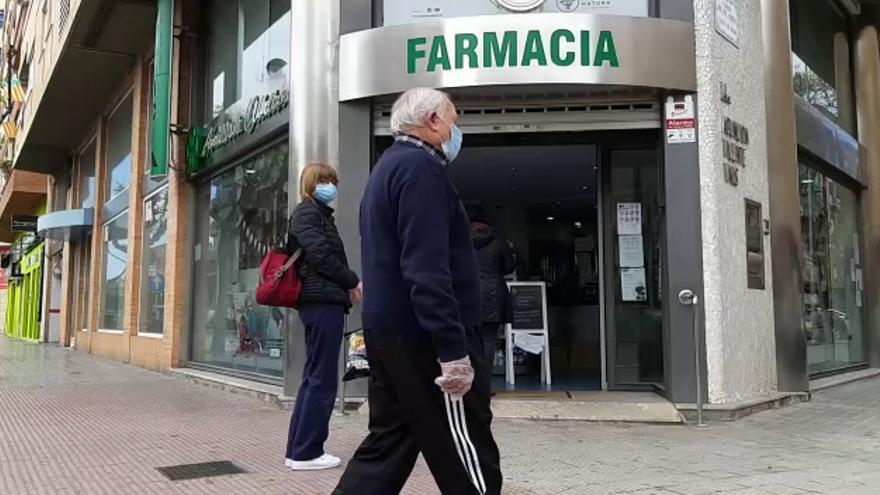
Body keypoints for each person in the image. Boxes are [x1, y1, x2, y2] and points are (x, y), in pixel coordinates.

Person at [334, 88, 502, 495]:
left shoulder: (386, 170)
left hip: (389, 332)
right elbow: (426, 269)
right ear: (432, 122)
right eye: (453, 121)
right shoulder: (421, 171)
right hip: (425, 339)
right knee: (468, 451)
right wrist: (452, 351)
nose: (455, 130)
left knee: (391, 442)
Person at [285, 163, 363, 471]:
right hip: (321, 302)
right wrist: (352, 281)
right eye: (324, 181)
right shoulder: (308, 214)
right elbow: (321, 257)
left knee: (313, 377)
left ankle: (298, 450)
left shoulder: (316, 215)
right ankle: (308, 452)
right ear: (310, 184)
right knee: (322, 378)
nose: (330, 185)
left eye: (332, 180)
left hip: (322, 301)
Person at [466, 204, 516, 376]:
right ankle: (484, 384)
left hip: (467, 293)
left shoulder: (460, 240)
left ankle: (470, 383)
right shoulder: (497, 241)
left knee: (468, 340)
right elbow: (509, 267)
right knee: (488, 339)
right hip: (493, 295)